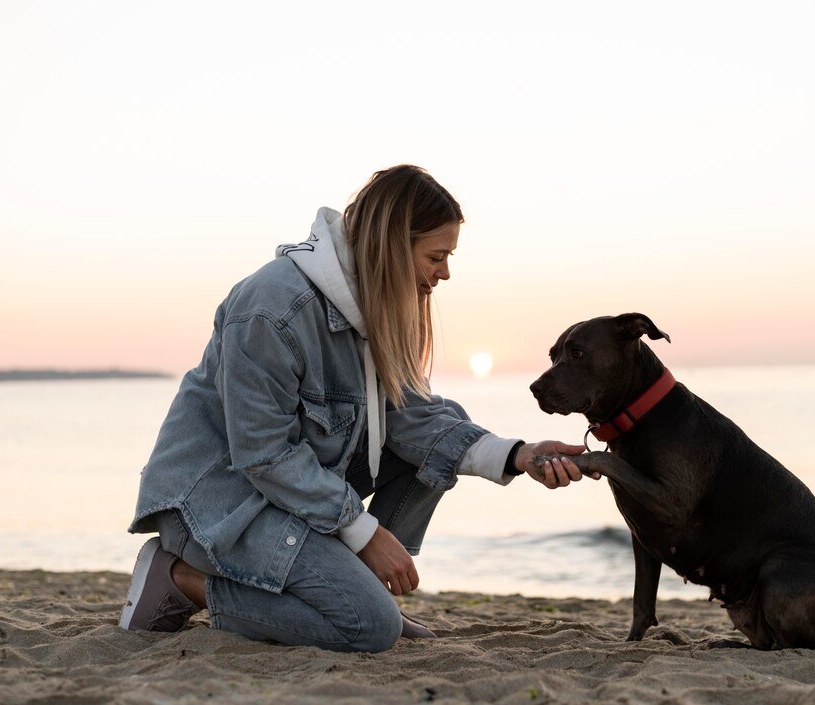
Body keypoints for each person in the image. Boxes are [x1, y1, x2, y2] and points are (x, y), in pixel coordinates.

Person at [120, 165, 590, 652]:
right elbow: (263, 454)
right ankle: (180, 577)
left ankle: (360, 592)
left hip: (285, 499)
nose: (445, 272)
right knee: (368, 628)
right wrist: (363, 533)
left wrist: (520, 454)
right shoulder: (273, 308)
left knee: (428, 458)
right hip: (218, 507)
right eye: (437, 256)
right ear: (390, 245)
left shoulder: (376, 308)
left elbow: (414, 417)